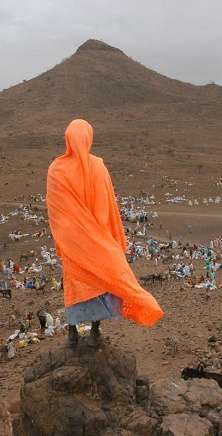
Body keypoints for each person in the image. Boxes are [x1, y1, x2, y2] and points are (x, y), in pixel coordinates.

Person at [46, 119, 164, 348]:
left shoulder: (56, 169)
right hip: (97, 239)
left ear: (67, 139)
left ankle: (72, 333)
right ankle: (95, 332)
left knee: (75, 283)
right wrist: (104, 236)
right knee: (101, 281)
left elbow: (56, 212)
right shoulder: (97, 167)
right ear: (89, 138)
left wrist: (68, 236)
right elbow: (107, 207)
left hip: (72, 242)